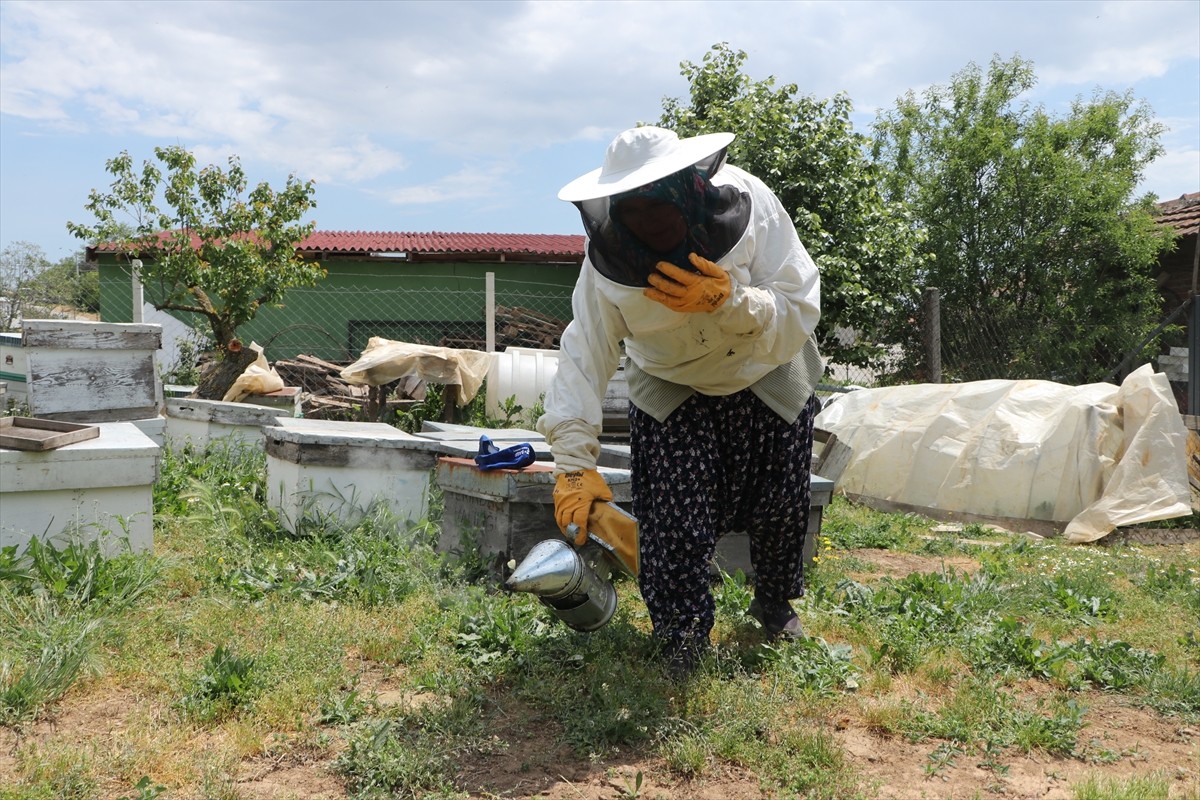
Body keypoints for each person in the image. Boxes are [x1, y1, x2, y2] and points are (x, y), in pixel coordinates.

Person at [536, 126, 824, 673]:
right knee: (673, 522)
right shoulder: (604, 263)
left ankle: (775, 603)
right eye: (635, 211)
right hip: (672, 383)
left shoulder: (753, 205)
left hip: (763, 364)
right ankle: (683, 633)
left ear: (689, 190)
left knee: (782, 506)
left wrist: (731, 301)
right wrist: (573, 466)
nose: (648, 223)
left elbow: (799, 302)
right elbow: (585, 350)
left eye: (657, 207)